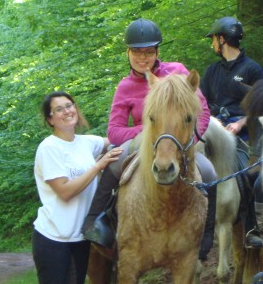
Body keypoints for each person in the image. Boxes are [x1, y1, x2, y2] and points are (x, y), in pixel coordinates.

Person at [83, 19, 217, 261]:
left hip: (178, 143)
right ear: (128, 52)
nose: (142, 57)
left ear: (157, 52)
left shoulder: (177, 71)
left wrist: (194, 137)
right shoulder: (125, 86)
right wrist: (149, 134)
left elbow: (202, 110)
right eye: (136, 51)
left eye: (148, 52)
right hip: (142, 142)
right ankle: (96, 221)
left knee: (208, 172)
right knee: (114, 161)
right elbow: (114, 130)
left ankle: (206, 235)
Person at [24, 91, 121, 284]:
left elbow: (115, 139)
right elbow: (65, 192)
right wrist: (98, 166)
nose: (67, 112)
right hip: (51, 238)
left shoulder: (87, 142)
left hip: (79, 239)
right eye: (58, 109)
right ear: (50, 119)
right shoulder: (49, 148)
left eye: (69, 106)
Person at [200, 16, 263, 249]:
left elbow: (260, 104)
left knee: (248, 173)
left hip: (244, 133)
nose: (212, 45)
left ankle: (251, 228)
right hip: (216, 130)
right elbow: (203, 104)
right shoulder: (212, 71)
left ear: (223, 39)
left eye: (214, 40)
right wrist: (215, 123)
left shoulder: (252, 69)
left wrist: (240, 124)